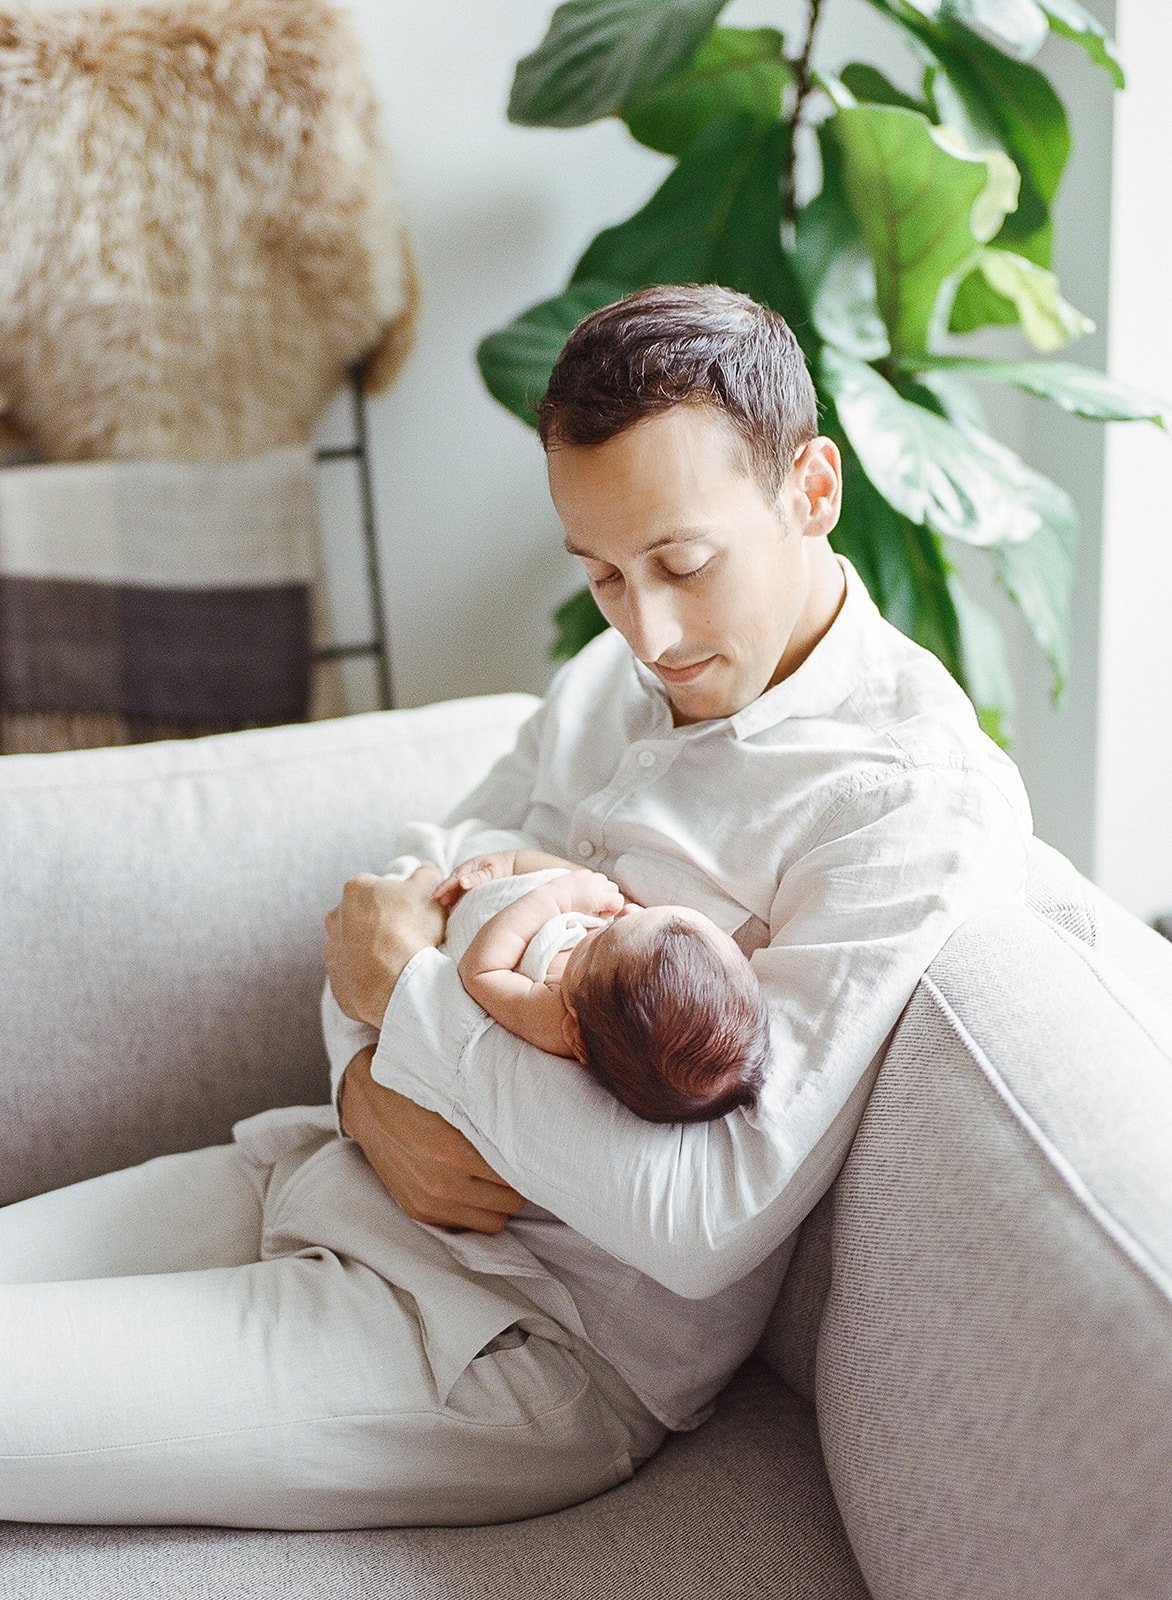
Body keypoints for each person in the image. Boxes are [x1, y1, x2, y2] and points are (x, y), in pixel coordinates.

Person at [0, 284, 1033, 1530]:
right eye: (600, 572)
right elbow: (381, 912)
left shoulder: (904, 802)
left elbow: (706, 1219)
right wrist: (363, 1095)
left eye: (682, 563)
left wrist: (414, 1010)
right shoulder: (611, 677)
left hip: (507, 1336)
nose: (644, 629)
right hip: (330, 1161)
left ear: (810, 490)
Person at [431, 845, 770, 1124]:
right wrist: (512, 862)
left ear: (576, 1037)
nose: (626, 910)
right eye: (643, 913)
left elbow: (481, 971)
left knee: (428, 862)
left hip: (473, 917)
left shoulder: (554, 1017)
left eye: (605, 935)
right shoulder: (624, 959)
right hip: (523, 877)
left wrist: (556, 898)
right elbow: (581, 879)